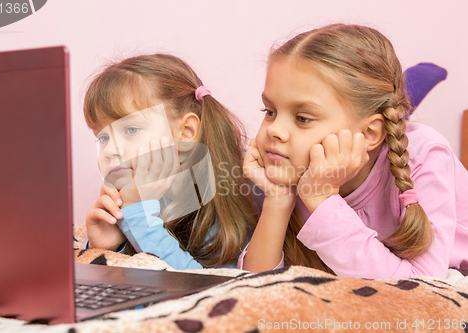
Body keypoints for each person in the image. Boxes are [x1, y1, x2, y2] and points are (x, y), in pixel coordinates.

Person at [238, 23, 468, 279]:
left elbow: (420, 287)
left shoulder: (426, 157)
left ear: (370, 134)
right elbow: (252, 287)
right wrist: (278, 200)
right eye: (270, 112)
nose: (275, 130)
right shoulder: (295, 167)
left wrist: (321, 200)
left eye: (302, 118)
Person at [83, 54, 257, 269]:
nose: (110, 150)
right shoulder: (132, 196)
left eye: (131, 130)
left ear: (185, 132)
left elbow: (202, 287)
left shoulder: (228, 193)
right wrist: (105, 247)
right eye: (103, 137)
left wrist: (138, 215)